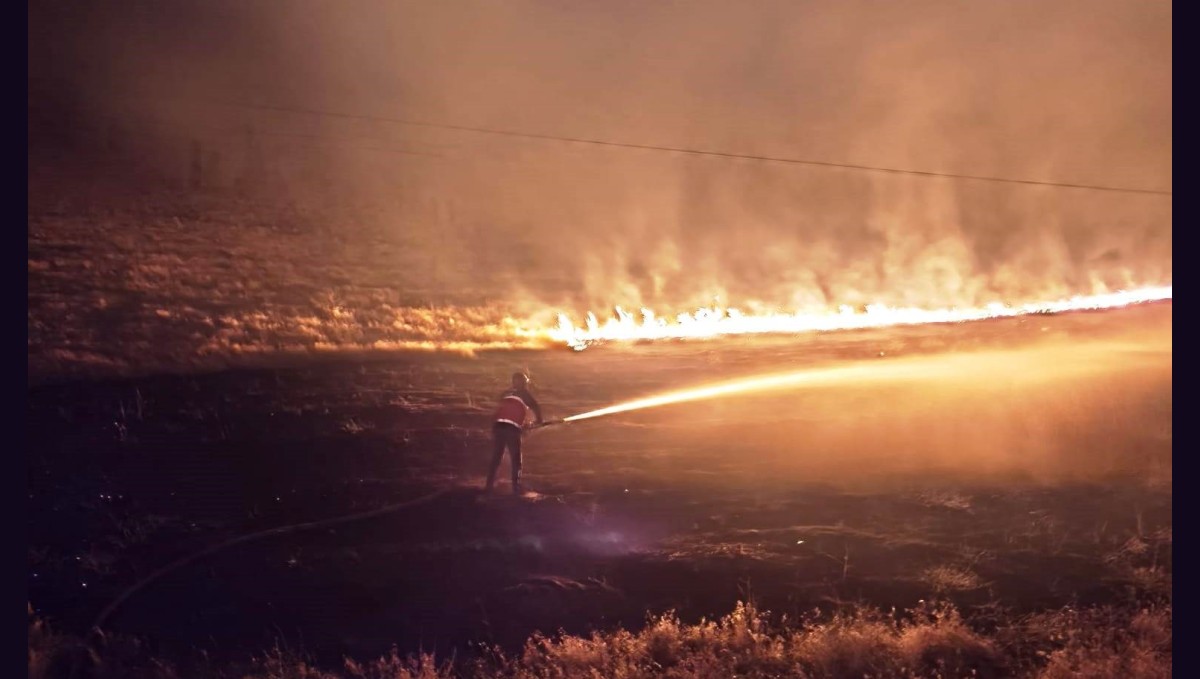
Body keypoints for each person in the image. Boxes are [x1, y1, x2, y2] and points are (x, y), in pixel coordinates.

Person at [485, 372, 544, 494]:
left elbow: (501, 409)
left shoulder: (505, 394)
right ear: (524, 383)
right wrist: (539, 421)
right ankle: (515, 487)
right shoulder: (524, 394)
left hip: (498, 427)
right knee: (516, 459)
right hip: (512, 429)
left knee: (497, 457)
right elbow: (536, 407)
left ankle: (489, 485)